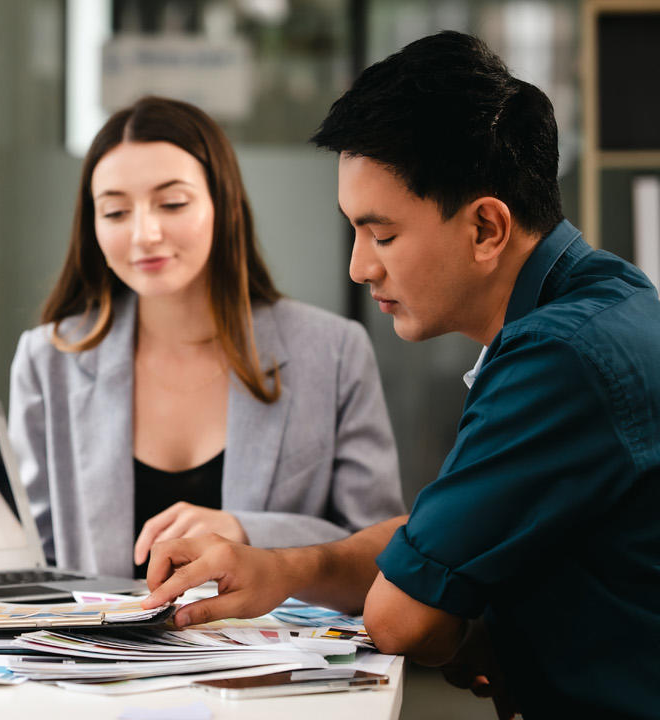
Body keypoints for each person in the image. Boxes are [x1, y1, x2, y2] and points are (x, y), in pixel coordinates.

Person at [142, 32, 660, 719]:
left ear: (485, 229)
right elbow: (436, 535)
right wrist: (281, 570)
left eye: (381, 234)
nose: (361, 267)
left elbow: (401, 619)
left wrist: (464, 619)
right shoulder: (613, 296)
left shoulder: (556, 358)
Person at [8, 96, 404, 581]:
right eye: (114, 212)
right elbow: (30, 565)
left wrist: (244, 532)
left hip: (274, 654)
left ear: (224, 203)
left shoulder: (332, 351)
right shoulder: (49, 359)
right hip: (101, 654)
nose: (144, 234)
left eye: (172, 203)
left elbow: (380, 547)